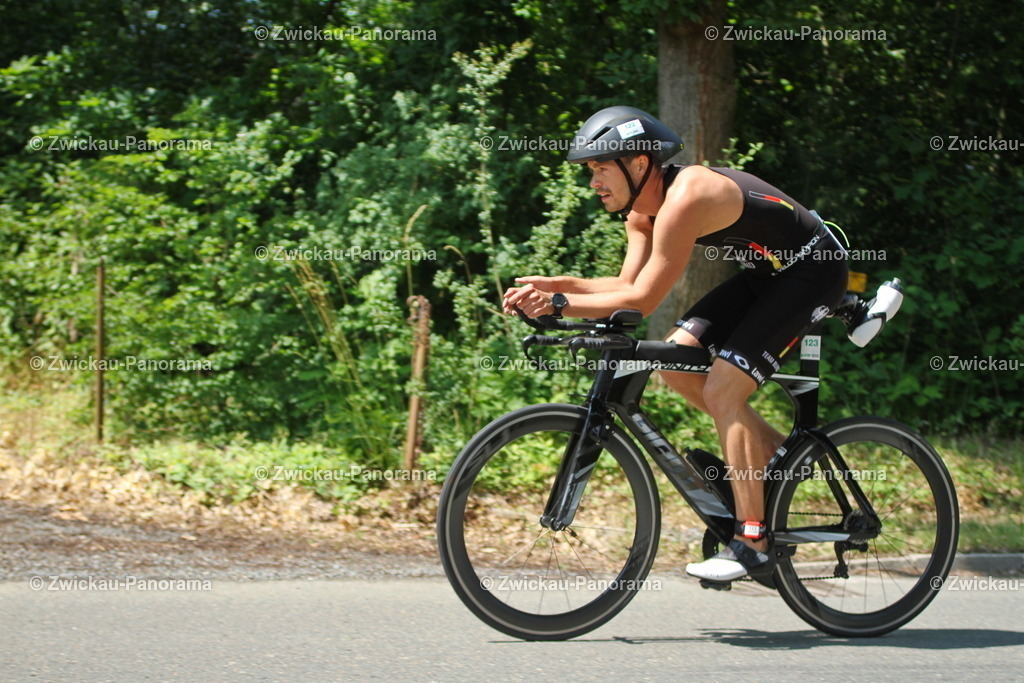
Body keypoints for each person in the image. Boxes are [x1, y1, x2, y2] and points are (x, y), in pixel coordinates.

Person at [502, 106, 849, 582]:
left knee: (724, 389)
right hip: (766, 277)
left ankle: (753, 541)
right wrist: (562, 286)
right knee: (676, 365)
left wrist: (557, 302)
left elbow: (642, 300)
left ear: (639, 164)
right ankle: (772, 455)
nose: (593, 182)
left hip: (814, 273)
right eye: (591, 171)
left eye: (602, 168)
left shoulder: (686, 196)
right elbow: (624, 285)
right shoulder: (640, 213)